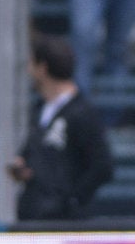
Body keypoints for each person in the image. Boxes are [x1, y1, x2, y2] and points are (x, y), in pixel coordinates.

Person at [7, 34, 114, 220]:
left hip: (64, 224)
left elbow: (103, 166)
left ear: (43, 68)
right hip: (32, 218)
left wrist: (72, 200)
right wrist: (23, 166)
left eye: (31, 64)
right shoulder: (40, 109)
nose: (28, 70)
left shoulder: (82, 113)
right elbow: (35, 155)